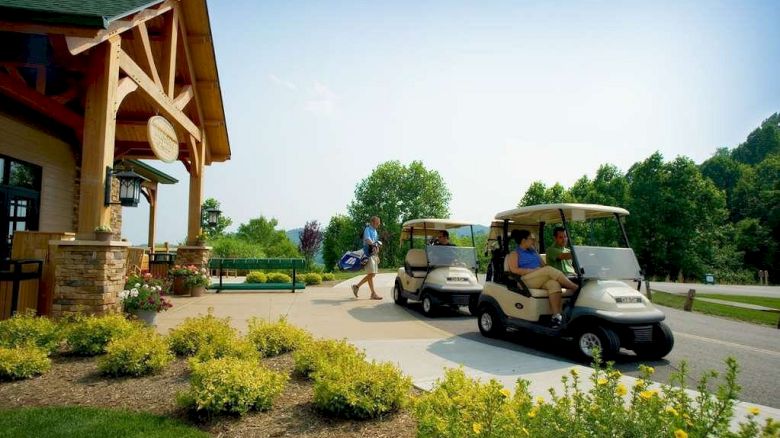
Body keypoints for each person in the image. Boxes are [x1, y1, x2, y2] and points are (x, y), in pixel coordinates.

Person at [505, 229, 579, 327]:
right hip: (525, 280)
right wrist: (532, 271)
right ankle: (575, 288)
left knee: (554, 284)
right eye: (531, 239)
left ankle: (556, 316)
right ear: (523, 240)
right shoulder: (515, 253)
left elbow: (543, 266)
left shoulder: (534, 252)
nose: (533, 240)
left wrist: (540, 270)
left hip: (537, 278)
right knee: (548, 270)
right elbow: (514, 270)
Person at [352, 216, 383, 300]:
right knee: (372, 274)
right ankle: (358, 287)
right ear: (372, 222)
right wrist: (374, 245)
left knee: (371, 274)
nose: (378, 225)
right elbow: (367, 239)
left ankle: (371, 293)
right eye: (377, 223)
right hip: (367, 254)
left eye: (379, 223)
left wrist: (377, 249)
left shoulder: (375, 231)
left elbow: (375, 242)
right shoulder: (367, 229)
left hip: (373, 254)